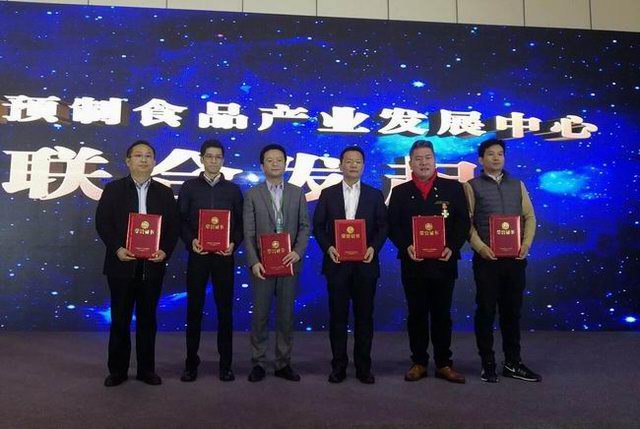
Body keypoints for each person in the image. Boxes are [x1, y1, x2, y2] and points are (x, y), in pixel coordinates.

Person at [95, 140, 179, 387]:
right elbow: (103, 223)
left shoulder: (164, 192)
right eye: (138, 155)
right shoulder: (113, 189)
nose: (144, 159)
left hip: (152, 265)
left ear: (154, 161)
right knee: (120, 319)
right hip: (121, 263)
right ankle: (117, 371)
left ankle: (146, 370)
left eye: (148, 156)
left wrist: (165, 251)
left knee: (147, 319)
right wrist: (117, 249)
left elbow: (173, 227)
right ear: (128, 161)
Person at [388, 140, 469, 384]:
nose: (423, 163)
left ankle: (444, 363)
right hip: (413, 263)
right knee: (417, 314)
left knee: (442, 314)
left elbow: (463, 222)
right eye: (418, 159)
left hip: (444, 262)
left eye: (428, 158)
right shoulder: (400, 192)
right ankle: (419, 362)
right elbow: (393, 225)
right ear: (410, 163)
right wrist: (406, 246)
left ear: (435, 160)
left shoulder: (453, 188)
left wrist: (452, 246)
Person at [464, 138, 541, 383]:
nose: (496, 158)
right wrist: (481, 248)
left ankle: (513, 363)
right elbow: (467, 223)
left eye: (500, 154)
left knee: (512, 312)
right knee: (486, 311)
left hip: (515, 259)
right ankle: (487, 362)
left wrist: (526, 244)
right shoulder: (471, 186)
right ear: (481, 159)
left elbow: (530, 217)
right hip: (487, 260)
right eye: (490, 154)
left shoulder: (517, 185)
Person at [312, 146, 388, 384]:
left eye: (358, 162)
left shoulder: (375, 195)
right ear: (341, 165)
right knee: (338, 318)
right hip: (337, 264)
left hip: (365, 264)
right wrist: (329, 248)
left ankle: (364, 367)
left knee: (364, 318)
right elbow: (318, 227)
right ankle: (338, 366)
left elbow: (383, 227)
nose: (353, 165)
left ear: (363, 166)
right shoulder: (328, 194)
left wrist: (373, 248)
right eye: (349, 161)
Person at [177, 139, 243, 382]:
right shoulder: (189, 187)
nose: (214, 160)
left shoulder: (233, 190)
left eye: (218, 157)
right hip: (198, 256)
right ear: (201, 159)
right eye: (209, 156)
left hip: (224, 258)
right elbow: (180, 220)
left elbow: (241, 223)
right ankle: (190, 363)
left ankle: (226, 364)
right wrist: (191, 240)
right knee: (194, 309)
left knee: (225, 311)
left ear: (223, 160)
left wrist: (234, 242)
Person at [243, 144, 310, 382]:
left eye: (279, 160)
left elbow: (305, 226)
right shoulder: (252, 194)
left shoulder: (297, 193)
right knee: (260, 316)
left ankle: (283, 363)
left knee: (285, 316)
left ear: (285, 164)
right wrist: (254, 262)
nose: (274, 164)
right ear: (262, 165)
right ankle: (258, 363)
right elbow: (248, 232)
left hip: (288, 263)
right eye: (269, 160)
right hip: (263, 265)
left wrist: (298, 252)